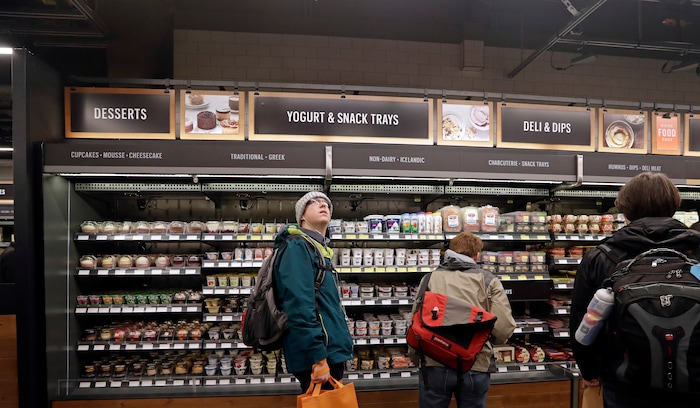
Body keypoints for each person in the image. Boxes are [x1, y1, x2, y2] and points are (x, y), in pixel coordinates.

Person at [571, 172, 700, 407]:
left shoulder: (602, 257)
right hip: (694, 379)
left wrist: (589, 371)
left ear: (625, 210)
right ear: (674, 205)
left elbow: (583, 322)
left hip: (625, 384)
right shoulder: (697, 251)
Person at [412, 231, 516, 408]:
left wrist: (418, 357)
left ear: (450, 251)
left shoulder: (429, 278)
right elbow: (503, 328)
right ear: (477, 255)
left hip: (434, 361)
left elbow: (415, 322)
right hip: (474, 363)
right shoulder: (489, 281)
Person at [273, 191, 353, 392]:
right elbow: (299, 306)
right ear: (301, 215)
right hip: (318, 355)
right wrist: (317, 357)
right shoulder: (297, 247)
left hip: (328, 351)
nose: (323, 204)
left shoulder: (317, 249)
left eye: (326, 202)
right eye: (314, 202)